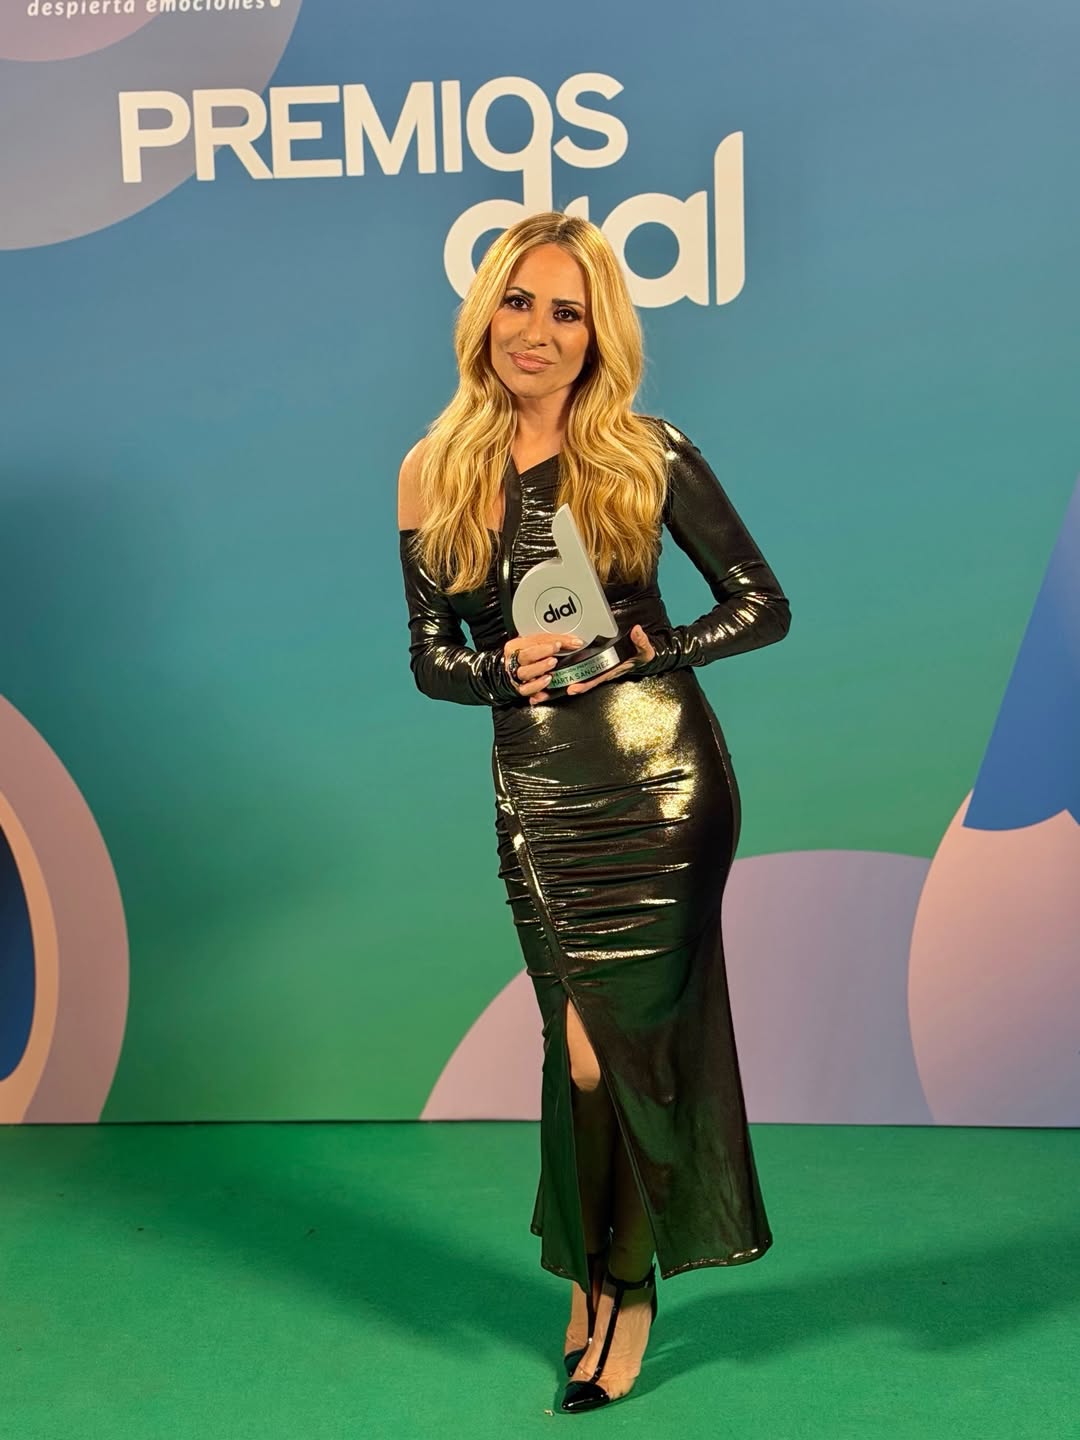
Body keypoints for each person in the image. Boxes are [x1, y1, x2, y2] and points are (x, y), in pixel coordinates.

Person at [397, 211, 791, 1412]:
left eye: (567, 312)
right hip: (538, 797)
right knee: (567, 1056)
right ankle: (588, 1274)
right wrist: (495, 668)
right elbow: (429, 656)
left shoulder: (643, 451)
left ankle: (626, 1290)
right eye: (521, 302)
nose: (539, 331)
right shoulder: (432, 469)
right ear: (486, 317)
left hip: (659, 785)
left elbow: (761, 602)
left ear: (597, 334)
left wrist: (654, 648)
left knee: (602, 1050)